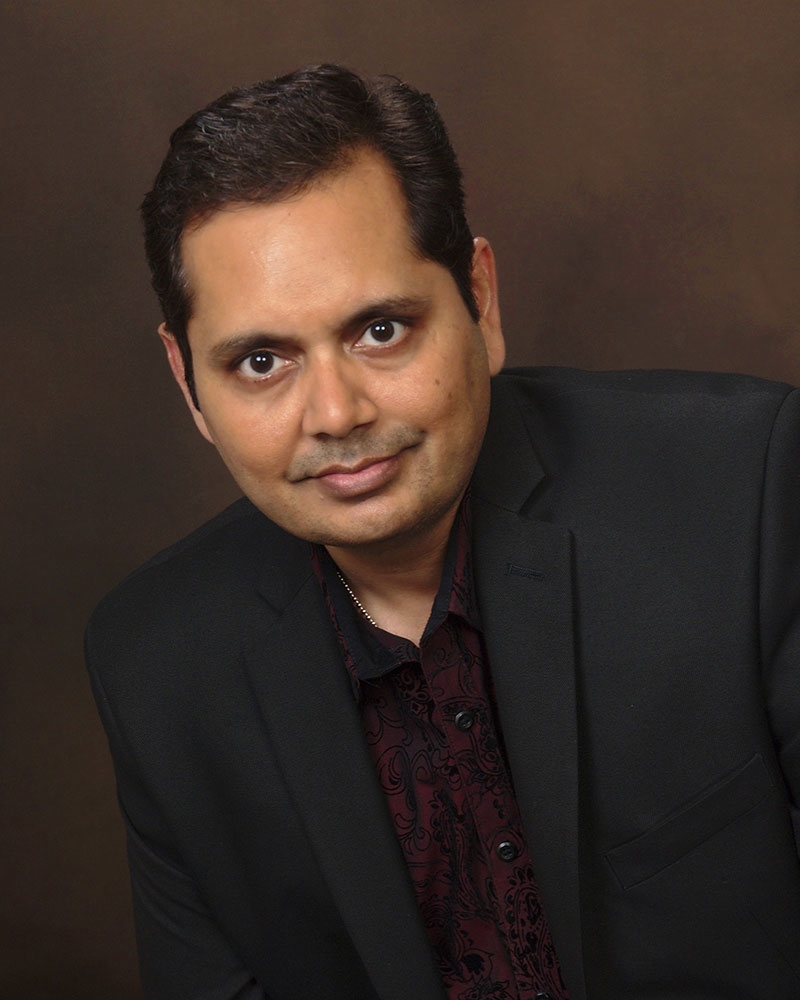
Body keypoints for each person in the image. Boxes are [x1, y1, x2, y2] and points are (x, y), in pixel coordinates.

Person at [86, 64, 800, 1000]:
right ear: (188, 384)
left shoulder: (745, 488)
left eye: (380, 330)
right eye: (261, 361)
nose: (334, 413)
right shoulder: (156, 665)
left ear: (481, 302)